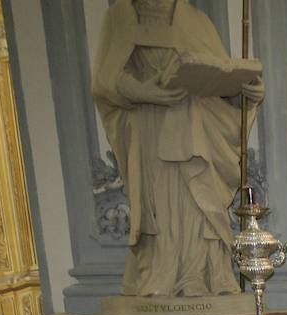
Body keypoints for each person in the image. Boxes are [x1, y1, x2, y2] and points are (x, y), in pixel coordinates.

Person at [91, 0, 265, 298]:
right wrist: (143, 91)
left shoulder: (196, 20)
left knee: (200, 204)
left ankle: (202, 275)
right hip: (152, 130)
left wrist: (246, 92)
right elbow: (106, 81)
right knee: (163, 207)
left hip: (198, 131)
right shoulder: (122, 15)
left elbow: (220, 80)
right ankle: (163, 277)